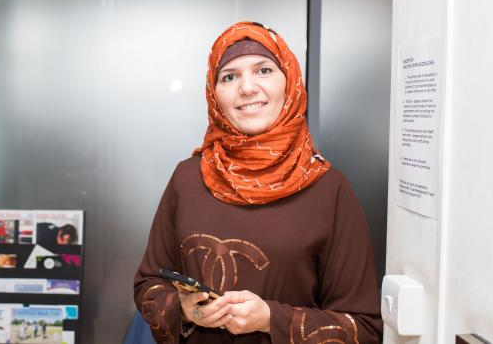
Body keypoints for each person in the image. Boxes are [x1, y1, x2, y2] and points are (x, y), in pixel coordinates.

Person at [133, 21, 382, 343]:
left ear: (289, 82)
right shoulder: (187, 178)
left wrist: (271, 320)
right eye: (230, 76)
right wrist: (185, 310)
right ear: (214, 95)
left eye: (263, 70)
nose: (247, 88)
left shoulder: (328, 188)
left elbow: (363, 328)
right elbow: (148, 285)